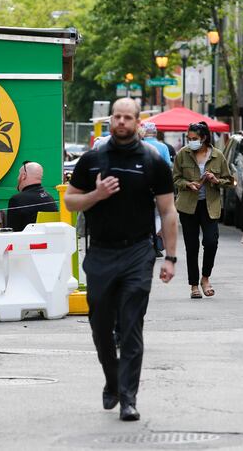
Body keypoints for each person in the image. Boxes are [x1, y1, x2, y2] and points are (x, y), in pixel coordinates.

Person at [65, 97, 178, 422]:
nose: (122, 122)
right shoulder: (93, 159)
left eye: (128, 117)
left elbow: (168, 211)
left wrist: (170, 257)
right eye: (117, 116)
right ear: (110, 119)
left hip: (137, 253)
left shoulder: (153, 161)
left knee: (131, 326)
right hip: (100, 252)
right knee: (101, 327)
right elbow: (71, 202)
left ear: (138, 122)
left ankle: (129, 397)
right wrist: (96, 195)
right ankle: (113, 382)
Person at [173, 121, 233, 299]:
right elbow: (175, 179)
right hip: (188, 207)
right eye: (189, 138)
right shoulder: (183, 154)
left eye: (194, 138)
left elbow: (229, 181)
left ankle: (205, 277)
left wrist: (216, 180)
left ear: (204, 138)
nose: (191, 141)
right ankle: (193, 285)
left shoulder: (217, 155)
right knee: (191, 246)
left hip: (210, 206)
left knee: (211, 241)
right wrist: (187, 184)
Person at [6, 161, 58, 232]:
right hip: (49, 242)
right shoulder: (50, 198)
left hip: (25, 242)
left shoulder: (17, 200)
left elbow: (11, 232)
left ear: (23, 176)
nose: (18, 178)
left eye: (19, 174)